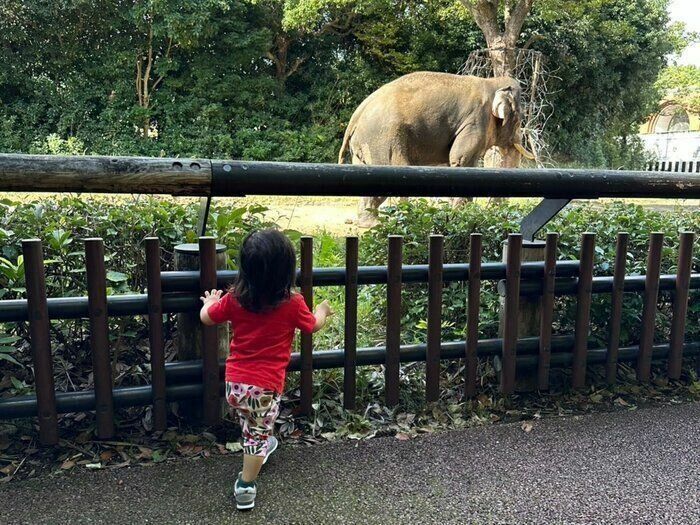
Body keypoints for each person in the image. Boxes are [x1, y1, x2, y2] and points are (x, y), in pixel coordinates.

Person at [199, 229, 333, 511]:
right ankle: (246, 486)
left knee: (253, 423)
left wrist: (210, 301)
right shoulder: (293, 303)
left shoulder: (235, 298)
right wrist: (321, 310)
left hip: (234, 386)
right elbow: (312, 325)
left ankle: (262, 442)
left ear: (245, 270)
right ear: (287, 270)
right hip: (265, 387)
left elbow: (207, 318)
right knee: (255, 437)